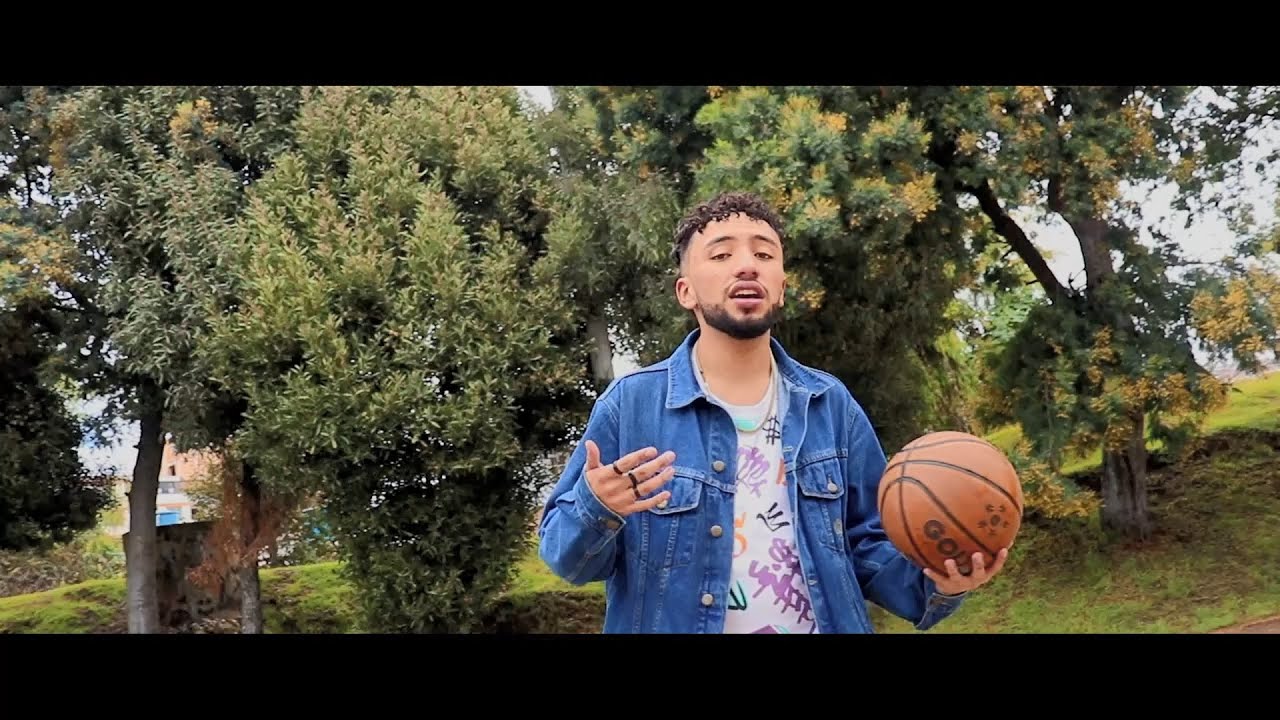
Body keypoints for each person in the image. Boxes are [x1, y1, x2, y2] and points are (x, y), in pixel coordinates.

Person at [537, 190, 1007, 633]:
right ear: (686, 291)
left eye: (764, 254)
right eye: (721, 255)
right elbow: (566, 560)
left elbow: (870, 546)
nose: (747, 266)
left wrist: (942, 582)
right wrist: (596, 507)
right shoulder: (632, 406)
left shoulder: (830, 405)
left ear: (781, 287)